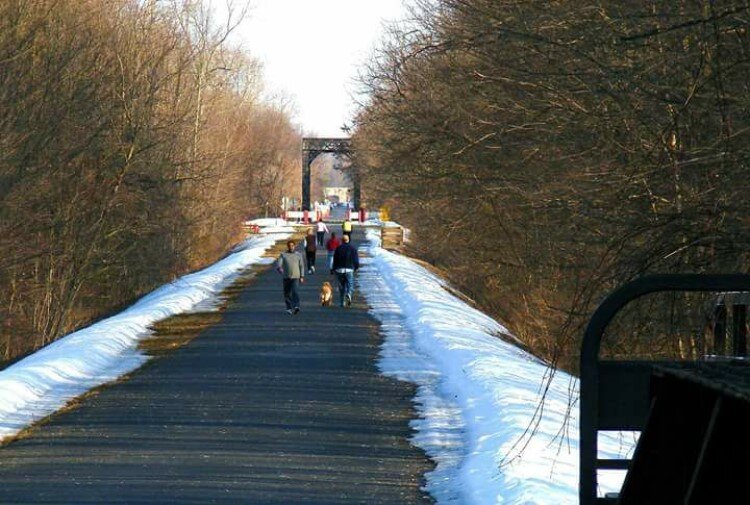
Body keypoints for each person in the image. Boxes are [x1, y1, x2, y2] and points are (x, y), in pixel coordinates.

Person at [276, 240, 305, 314]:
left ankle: (296, 306)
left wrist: (302, 276)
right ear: (287, 246)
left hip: (296, 276)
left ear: (294, 246)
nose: (291, 247)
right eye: (289, 246)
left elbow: (301, 266)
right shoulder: (283, 255)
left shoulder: (298, 255)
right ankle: (289, 307)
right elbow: (279, 265)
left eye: (292, 245)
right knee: (287, 293)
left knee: (295, 291)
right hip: (286, 277)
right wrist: (280, 269)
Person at [332, 234, 359, 307]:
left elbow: (335, 260)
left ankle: (342, 302)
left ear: (342, 240)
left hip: (339, 269)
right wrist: (356, 267)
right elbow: (356, 260)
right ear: (348, 240)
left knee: (342, 286)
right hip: (349, 269)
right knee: (350, 283)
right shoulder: (353, 248)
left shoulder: (338, 248)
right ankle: (349, 293)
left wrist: (333, 269)